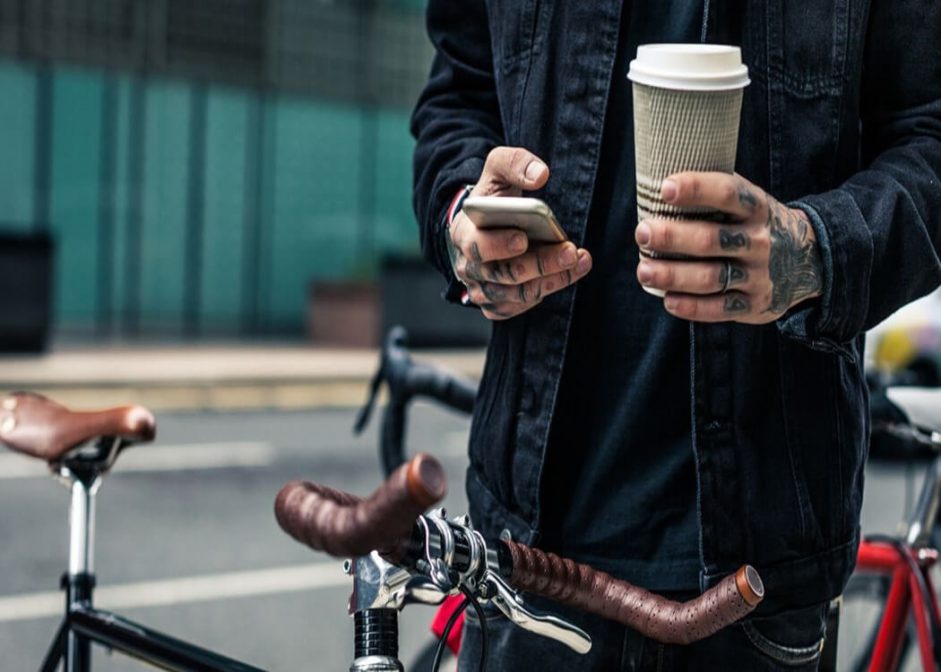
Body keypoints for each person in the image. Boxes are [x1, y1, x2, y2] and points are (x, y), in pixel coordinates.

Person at [410, 1, 941, 670]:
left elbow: (928, 137)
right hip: (527, 556)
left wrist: (813, 253)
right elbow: (458, 97)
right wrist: (461, 218)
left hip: (755, 576)